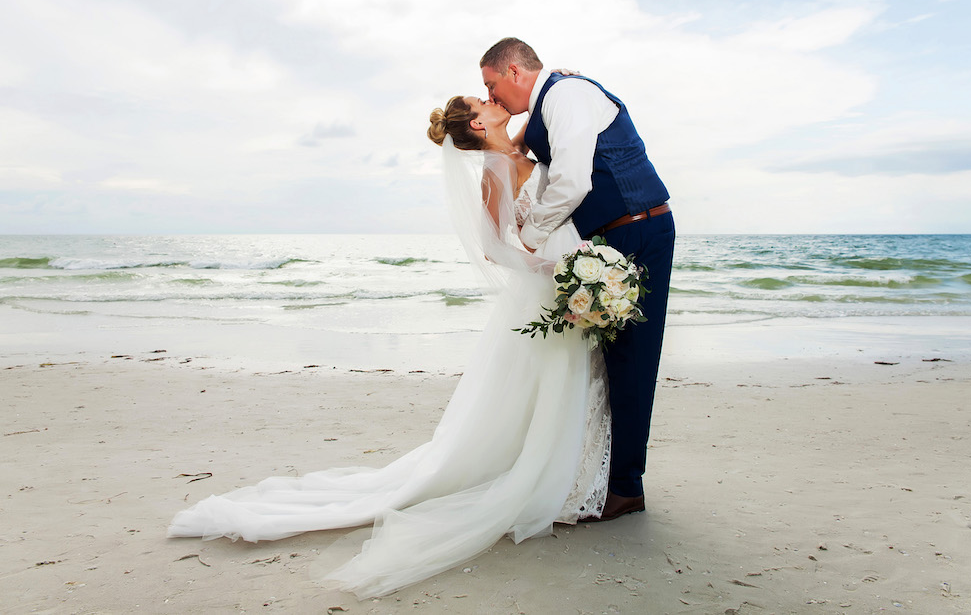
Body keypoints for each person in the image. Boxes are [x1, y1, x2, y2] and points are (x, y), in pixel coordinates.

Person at [168, 94, 611, 598]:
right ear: (478, 121)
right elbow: (492, 246)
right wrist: (545, 269)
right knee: (554, 380)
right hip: (548, 283)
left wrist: (569, 80)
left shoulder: (522, 141)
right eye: (481, 100)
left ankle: (570, 470)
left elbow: (552, 105)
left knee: (568, 379)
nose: (491, 99)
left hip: (568, 274)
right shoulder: (494, 169)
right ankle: (552, 477)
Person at [480, 37, 674, 520]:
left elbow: (572, 180)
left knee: (633, 360)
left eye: (491, 85)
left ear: (512, 70)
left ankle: (626, 488)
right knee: (613, 363)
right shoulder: (552, 100)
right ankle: (611, 477)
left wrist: (528, 237)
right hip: (610, 237)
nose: (492, 96)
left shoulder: (565, 96)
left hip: (639, 228)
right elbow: (525, 144)